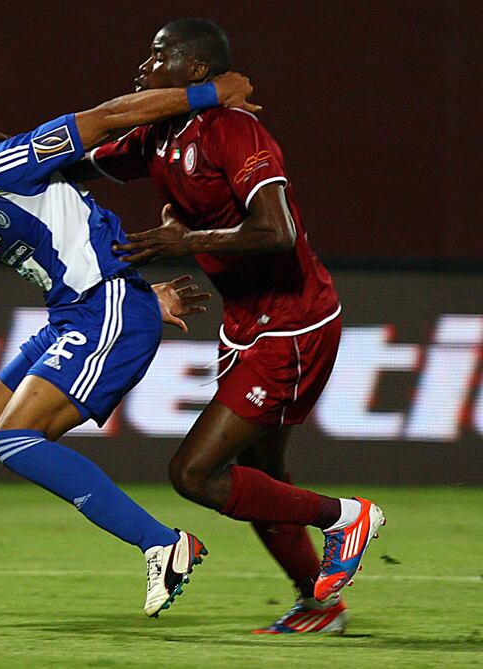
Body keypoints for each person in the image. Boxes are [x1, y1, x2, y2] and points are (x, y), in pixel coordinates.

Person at [0, 74, 256, 631]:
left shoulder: (1, 164)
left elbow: (105, 117)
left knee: (13, 439)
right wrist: (140, 291)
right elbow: (73, 230)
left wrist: (210, 93)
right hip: (76, 315)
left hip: (104, 313)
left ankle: (163, 545)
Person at [87, 18, 386, 634]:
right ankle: (320, 604)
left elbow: (279, 231)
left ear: (196, 71)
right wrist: (7, 153)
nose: (144, 67)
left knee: (194, 474)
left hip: (295, 322)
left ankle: (345, 518)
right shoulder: (158, 135)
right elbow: (81, 160)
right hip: (248, 324)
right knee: (261, 480)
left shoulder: (234, 129)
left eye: (158, 55)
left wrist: (183, 240)